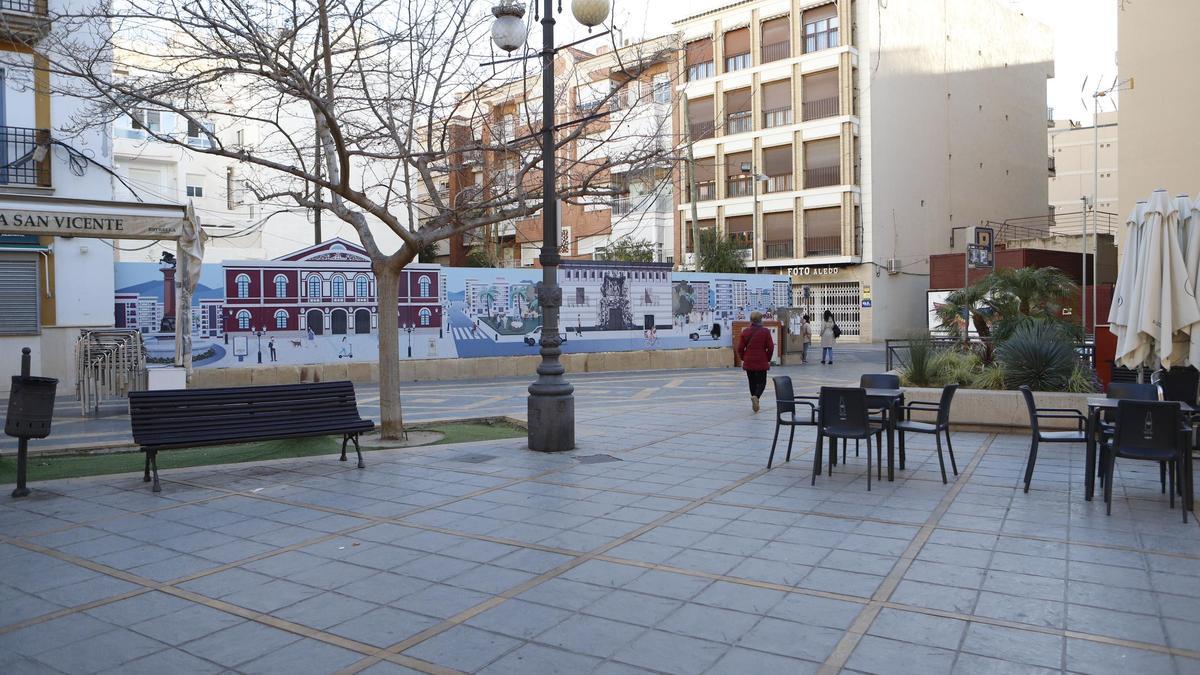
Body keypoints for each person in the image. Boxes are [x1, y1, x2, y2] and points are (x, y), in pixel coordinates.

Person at [737, 311, 774, 413]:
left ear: (751, 320)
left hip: (749, 361)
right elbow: (770, 347)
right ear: (760, 320)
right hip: (761, 361)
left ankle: (754, 397)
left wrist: (744, 357)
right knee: (762, 382)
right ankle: (756, 397)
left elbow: (740, 348)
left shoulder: (745, 332)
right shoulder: (765, 331)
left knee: (752, 382)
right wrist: (768, 359)